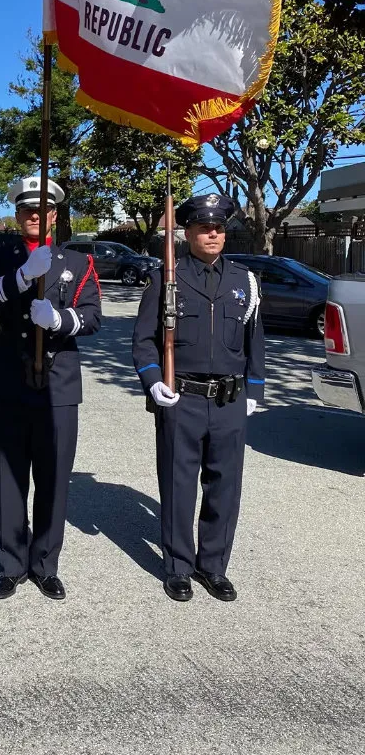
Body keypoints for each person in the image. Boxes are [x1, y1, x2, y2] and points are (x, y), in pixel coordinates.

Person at [132, 193, 265, 603]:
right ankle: (178, 566)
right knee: (178, 484)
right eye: (205, 228)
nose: (213, 234)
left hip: (228, 400)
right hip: (182, 397)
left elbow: (254, 339)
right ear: (186, 232)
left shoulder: (245, 280)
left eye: (219, 228)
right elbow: (143, 342)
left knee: (225, 486)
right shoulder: (165, 278)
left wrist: (255, 388)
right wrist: (153, 380)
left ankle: (214, 567)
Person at [0, 175, 101, 601]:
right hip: (9, 379)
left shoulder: (78, 262)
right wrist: (24, 276)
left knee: (53, 479)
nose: (35, 215)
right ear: (17, 214)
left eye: (43, 209)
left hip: (58, 384)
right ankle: (11, 564)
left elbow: (92, 317)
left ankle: (45, 563)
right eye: (27, 209)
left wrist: (59, 321)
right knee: (9, 477)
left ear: (54, 214)